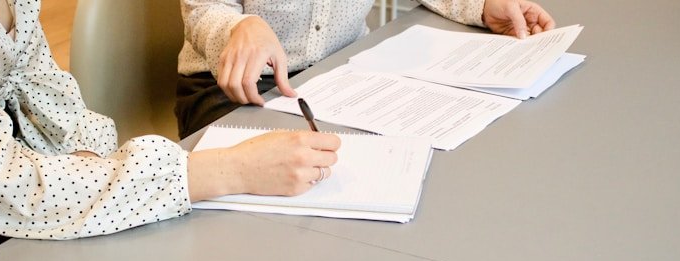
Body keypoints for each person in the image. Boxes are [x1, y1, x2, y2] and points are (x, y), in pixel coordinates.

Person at [0, 0, 341, 261]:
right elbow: (1, 182)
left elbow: (43, 86)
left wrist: (90, 162)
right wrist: (230, 170)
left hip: (7, 162)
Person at [176, 0, 556, 138]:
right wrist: (239, 27)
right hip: (229, 86)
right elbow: (203, 11)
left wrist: (482, 5)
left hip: (340, 74)